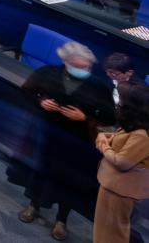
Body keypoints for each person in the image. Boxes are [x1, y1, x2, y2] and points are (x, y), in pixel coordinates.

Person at [16, 41, 114, 239]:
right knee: (40, 172)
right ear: (66, 62)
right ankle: (33, 205)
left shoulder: (99, 86)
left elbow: (110, 116)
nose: (83, 69)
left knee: (70, 181)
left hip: (78, 141)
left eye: (87, 66)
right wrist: (41, 101)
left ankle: (62, 220)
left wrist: (85, 118)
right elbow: (26, 91)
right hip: (47, 134)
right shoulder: (48, 73)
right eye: (78, 66)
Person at [95, 84, 149, 243]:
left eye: (123, 100)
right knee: (103, 230)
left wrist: (103, 144)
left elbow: (122, 162)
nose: (119, 103)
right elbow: (124, 139)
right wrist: (108, 137)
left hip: (121, 190)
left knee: (113, 234)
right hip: (113, 186)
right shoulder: (137, 125)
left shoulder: (143, 135)